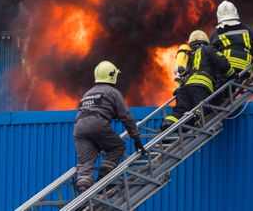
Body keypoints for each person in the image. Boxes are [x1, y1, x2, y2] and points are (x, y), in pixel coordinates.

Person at [74, 61, 147, 193]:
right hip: (97, 123)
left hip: (79, 127)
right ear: (112, 75)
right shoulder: (113, 92)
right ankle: (105, 179)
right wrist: (136, 139)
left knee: (85, 162)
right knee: (117, 146)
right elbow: (126, 117)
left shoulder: (88, 93)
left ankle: (84, 187)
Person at [160, 30, 234, 132]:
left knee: (179, 110)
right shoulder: (208, 49)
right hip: (201, 86)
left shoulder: (187, 55)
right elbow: (223, 63)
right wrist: (232, 74)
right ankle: (197, 121)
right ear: (206, 40)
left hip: (184, 88)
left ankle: (168, 123)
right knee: (201, 110)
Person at [209, 0, 253, 78]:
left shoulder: (217, 32)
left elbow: (211, 53)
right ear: (235, 12)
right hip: (245, 69)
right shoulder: (247, 29)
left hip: (227, 68)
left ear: (219, 16)